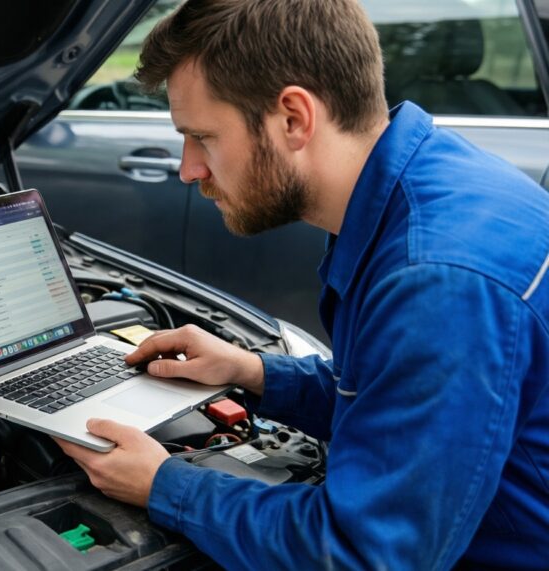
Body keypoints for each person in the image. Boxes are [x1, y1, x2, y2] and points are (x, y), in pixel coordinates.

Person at [54, 0, 549, 568]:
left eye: (203, 137)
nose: (190, 169)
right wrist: (252, 373)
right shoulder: (429, 186)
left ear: (293, 118)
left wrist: (164, 484)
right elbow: (388, 402)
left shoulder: (436, 280)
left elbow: (365, 555)